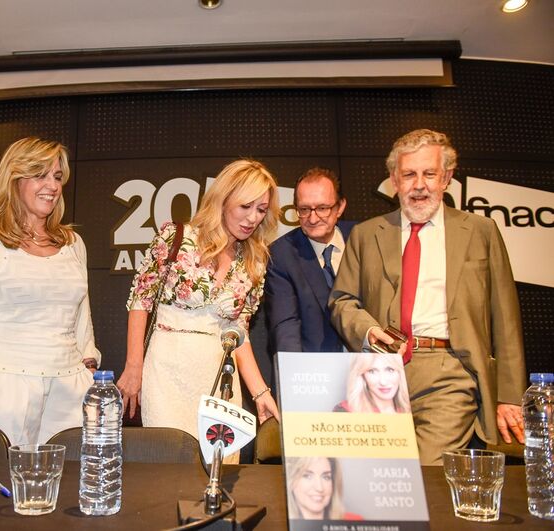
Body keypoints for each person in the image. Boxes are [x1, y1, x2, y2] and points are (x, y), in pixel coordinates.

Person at [330, 129, 526, 465]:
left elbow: (505, 317)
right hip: (380, 369)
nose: (419, 185)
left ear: (446, 178)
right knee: (378, 473)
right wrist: (368, 330)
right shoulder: (365, 235)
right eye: (409, 175)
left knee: (425, 472)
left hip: (448, 371)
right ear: (394, 180)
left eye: (429, 174)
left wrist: (509, 396)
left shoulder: (480, 231)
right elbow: (342, 301)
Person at [0, 137, 101, 446]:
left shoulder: (73, 243)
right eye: (40, 175)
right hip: (7, 388)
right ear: (14, 179)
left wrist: (89, 368)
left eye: (57, 177)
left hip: (71, 391)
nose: (52, 186)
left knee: (70, 475)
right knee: (1, 476)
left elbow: (82, 317)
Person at [117, 159, 281, 440]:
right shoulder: (176, 237)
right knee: (169, 458)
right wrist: (134, 366)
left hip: (220, 379)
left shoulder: (254, 261)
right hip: (166, 373)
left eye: (261, 209)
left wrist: (260, 392)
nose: (253, 218)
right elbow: (141, 300)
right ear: (224, 199)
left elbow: (238, 332)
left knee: (218, 461)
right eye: (245, 206)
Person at [265, 167, 355, 354]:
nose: (313, 219)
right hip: (315, 366)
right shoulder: (281, 255)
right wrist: (295, 368)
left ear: (340, 207)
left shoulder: (364, 238)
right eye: (304, 209)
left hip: (372, 363)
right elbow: (285, 326)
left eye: (322, 208)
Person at [287, 456, 362, 520]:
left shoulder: (355, 521)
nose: (319, 488)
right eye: (307, 476)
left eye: (326, 477)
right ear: (291, 479)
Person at [334, 353, 410, 413]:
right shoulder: (345, 411)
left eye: (390, 370)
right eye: (372, 371)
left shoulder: (407, 411)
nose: (383, 382)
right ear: (362, 376)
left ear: (400, 373)